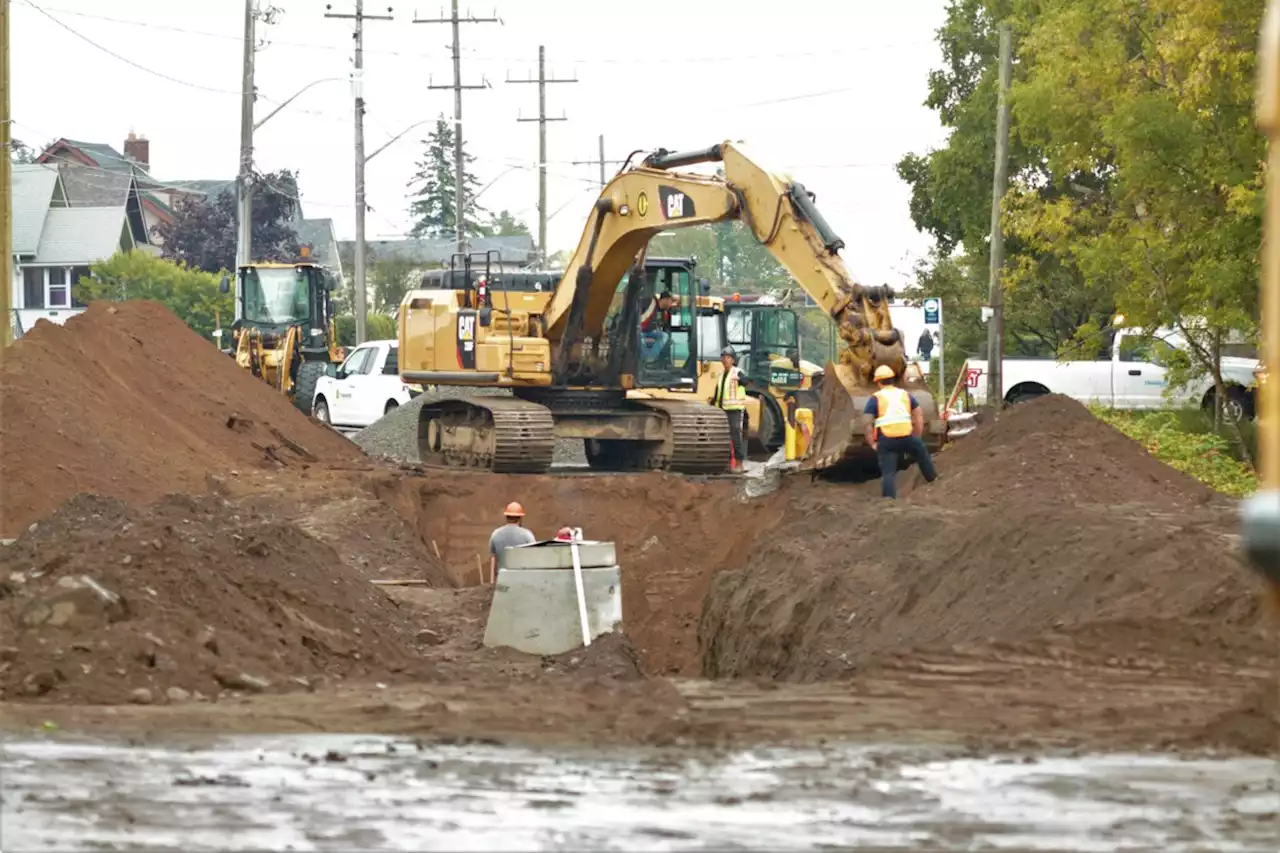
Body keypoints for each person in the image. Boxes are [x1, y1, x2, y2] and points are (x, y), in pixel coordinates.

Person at [863, 365, 938, 499]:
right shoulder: (905, 394)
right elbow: (918, 414)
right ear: (892, 380)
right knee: (922, 455)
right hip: (907, 437)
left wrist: (872, 443)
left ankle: (889, 500)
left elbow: (867, 422)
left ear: (878, 382)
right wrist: (917, 436)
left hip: (887, 440)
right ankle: (933, 480)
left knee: (888, 472)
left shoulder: (875, 398)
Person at [710, 346, 748, 472]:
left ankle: (739, 463)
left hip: (735, 410)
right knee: (723, 437)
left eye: (727, 357)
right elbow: (718, 394)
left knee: (736, 436)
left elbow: (746, 381)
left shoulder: (737, 372)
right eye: (723, 357)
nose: (724, 360)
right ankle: (727, 463)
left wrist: (741, 379)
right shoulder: (721, 375)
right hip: (722, 410)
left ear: (732, 360)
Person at [487, 501, 536, 584]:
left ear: (506, 517)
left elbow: (493, 559)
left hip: (502, 580)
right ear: (520, 518)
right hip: (522, 581)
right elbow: (534, 559)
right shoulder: (527, 535)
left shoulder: (495, 534)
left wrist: (492, 582)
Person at [640, 291, 675, 361]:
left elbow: (664, 326)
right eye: (671, 301)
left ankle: (651, 356)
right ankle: (647, 358)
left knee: (664, 336)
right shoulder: (651, 302)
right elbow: (640, 318)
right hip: (639, 331)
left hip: (649, 332)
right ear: (665, 300)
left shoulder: (663, 312)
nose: (671, 304)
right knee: (638, 338)